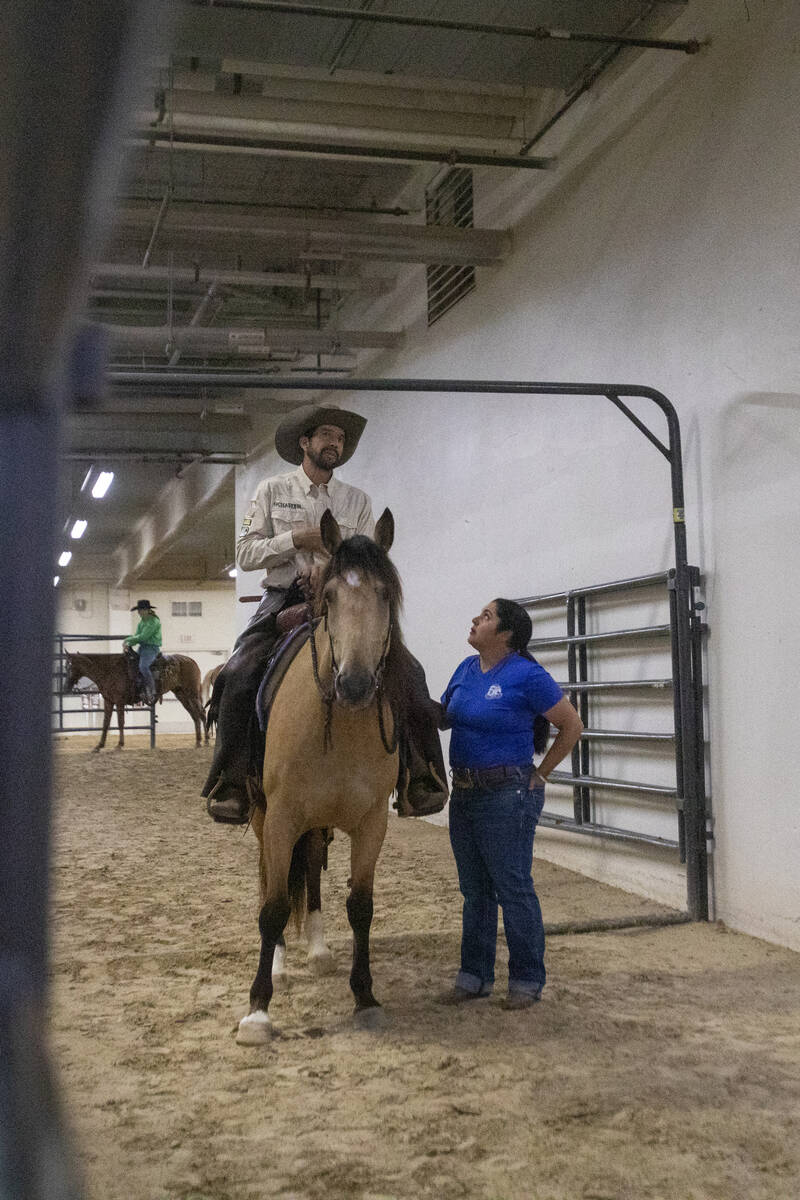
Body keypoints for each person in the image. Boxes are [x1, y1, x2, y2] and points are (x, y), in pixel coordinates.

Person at [202, 402, 449, 824]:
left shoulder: (357, 501)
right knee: (238, 674)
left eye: (340, 438)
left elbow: (370, 558)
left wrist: (334, 574)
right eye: (326, 436)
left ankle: (421, 775)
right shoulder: (269, 492)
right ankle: (232, 779)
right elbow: (244, 552)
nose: (334, 443)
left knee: (410, 672)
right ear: (305, 443)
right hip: (283, 597)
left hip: (348, 602)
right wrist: (296, 539)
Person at [439, 597, 583, 1010]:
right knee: (474, 890)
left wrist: (541, 774)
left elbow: (571, 725)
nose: (474, 619)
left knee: (512, 887)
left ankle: (526, 980)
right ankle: (474, 977)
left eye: (485, 617)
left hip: (508, 795)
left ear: (505, 634)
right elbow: (445, 716)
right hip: (465, 793)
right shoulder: (466, 670)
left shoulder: (526, 675)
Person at [123, 599, 162, 704]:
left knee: (143, 666)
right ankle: (139, 687)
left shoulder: (153, 622)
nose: (138, 612)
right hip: (143, 648)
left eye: (140, 610)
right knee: (131, 663)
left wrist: (127, 640)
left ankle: (151, 690)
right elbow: (137, 636)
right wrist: (129, 644)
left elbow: (143, 637)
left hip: (151, 649)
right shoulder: (142, 622)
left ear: (146, 610)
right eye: (138, 610)